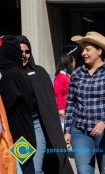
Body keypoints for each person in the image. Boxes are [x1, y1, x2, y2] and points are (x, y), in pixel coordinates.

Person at [64, 31, 105, 174]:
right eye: (82, 49)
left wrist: (103, 122)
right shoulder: (77, 74)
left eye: (87, 49)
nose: (83, 53)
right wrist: (67, 130)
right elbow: (70, 103)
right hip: (80, 132)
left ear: (100, 51)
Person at [17, 35, 73, 174]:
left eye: (27, 52)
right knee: (25, 169)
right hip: (19, 129)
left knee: (35, 168)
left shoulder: (39, 72)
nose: (24, 55)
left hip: (37, 126)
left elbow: (47, 103)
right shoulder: (8, 74)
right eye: (20, 52)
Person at [0, 35, 36, 174]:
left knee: (23, 170)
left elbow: (4, 105)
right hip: (23, 136)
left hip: (19, 140)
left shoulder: (12, 75)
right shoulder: (16, 72)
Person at [54, 54, 76, 129]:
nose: (74, 63)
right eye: (74, 61)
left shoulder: (68, 75)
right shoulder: (60, 77)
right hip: (64, 110)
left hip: (70, 109)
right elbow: (58, 94)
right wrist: (61, 109)